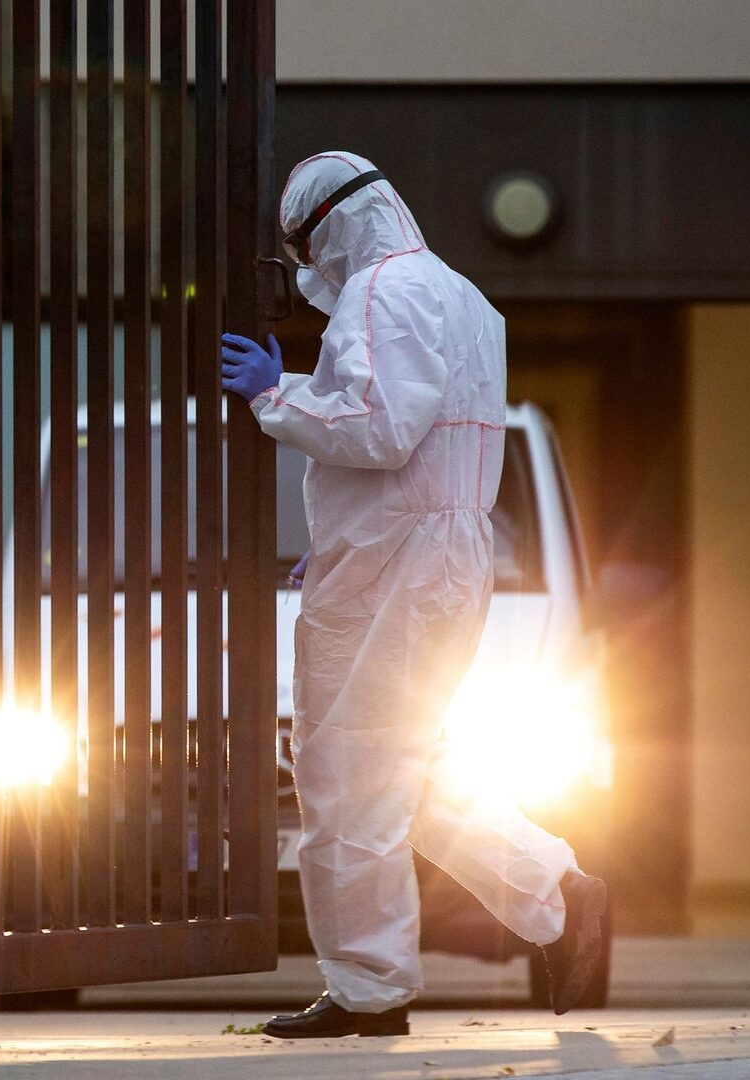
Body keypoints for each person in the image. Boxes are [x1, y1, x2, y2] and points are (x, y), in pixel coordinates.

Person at [220, 151, 607, 1039]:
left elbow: (377, 427)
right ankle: (555, 895)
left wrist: (274, 394)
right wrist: (346, 539)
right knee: (402, 771)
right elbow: (424, 447)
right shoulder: (461, 295)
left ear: (327, 229)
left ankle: (370, 989)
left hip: (398, 567)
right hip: (427, 555)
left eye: (303, 246)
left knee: (348, 775)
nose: (305, 267)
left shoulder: (381, 292)